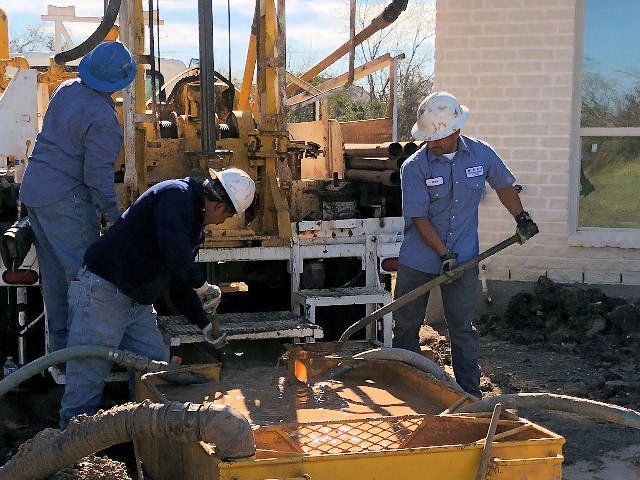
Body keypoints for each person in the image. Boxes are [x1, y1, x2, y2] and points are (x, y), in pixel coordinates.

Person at [59, 168, 256, 429]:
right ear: (219, 206)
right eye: (228, 216)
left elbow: (177, 282)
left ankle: (146, 446)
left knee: (156, 375)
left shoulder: (193, 224)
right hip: (104, 294)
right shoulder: (176, 196)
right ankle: (68, 458)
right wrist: (201, 284)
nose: (222, 223)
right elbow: (174, 252)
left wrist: (205, 325)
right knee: (87, 378)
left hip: (137, 304)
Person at [393, 91, 539, 398]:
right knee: (406, 329)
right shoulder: (414, 167)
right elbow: (419, 218)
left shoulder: (480, 154)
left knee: (462, 329)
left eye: (437, 138)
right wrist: (444, 255)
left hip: (464, 259)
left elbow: (503, 185)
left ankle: (470, 397)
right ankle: (407, 393)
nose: (430, 143)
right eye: (428, 138)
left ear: (456, 131)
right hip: (419, 260)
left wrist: (521, 217)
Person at [19, 41, 136, 352]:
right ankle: (86, 354)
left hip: (35, 191)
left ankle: (61, 351)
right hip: (64, 200)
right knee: (86, 280)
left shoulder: (66, 89)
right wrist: (115, 218)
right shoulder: (104, 120)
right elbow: (96, 177)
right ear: (121, 81)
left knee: (56, 278)